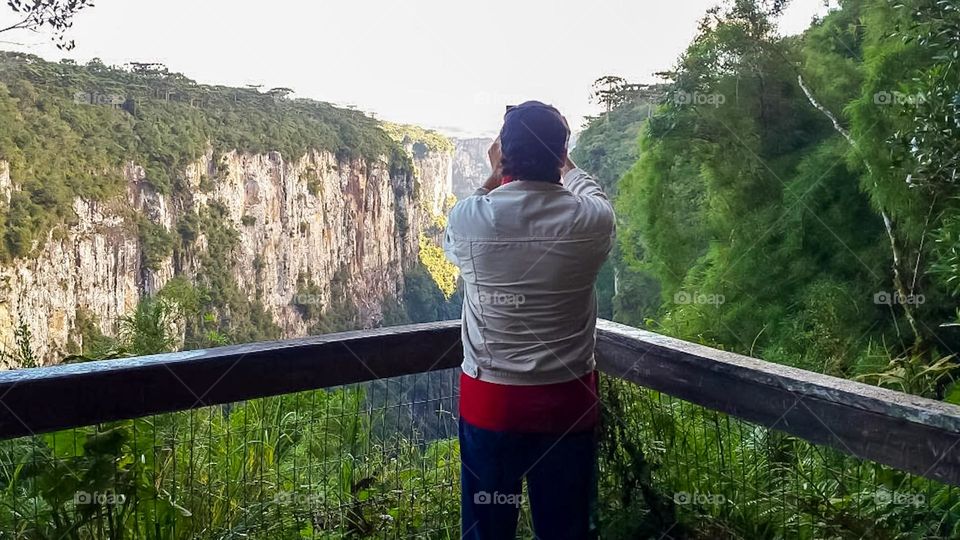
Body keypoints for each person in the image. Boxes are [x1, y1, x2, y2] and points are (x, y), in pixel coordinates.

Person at [443, 101, 615, 539]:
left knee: (487, 529)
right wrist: (562, 157)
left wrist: (496, 169)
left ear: (503, 157)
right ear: (561, 156)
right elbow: (589, 188)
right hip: (567, 403)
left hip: (491, 403)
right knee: (566, 530)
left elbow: (475, 202)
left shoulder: (470, 221)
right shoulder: (592, 221)